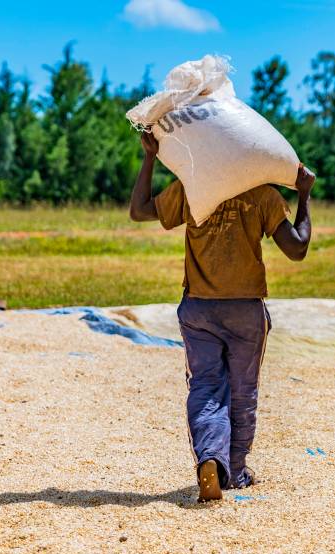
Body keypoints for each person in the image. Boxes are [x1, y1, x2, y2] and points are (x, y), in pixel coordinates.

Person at [129, 131, 315, 501]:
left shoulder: (193, 189)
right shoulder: (264, 196)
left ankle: (210, 458)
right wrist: (305, 196)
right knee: (243, 392)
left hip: (199, 308)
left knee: (206, 387)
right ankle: (237, 470)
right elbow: (297, 249)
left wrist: (150, 157)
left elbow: (139, 210)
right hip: (245, 310)